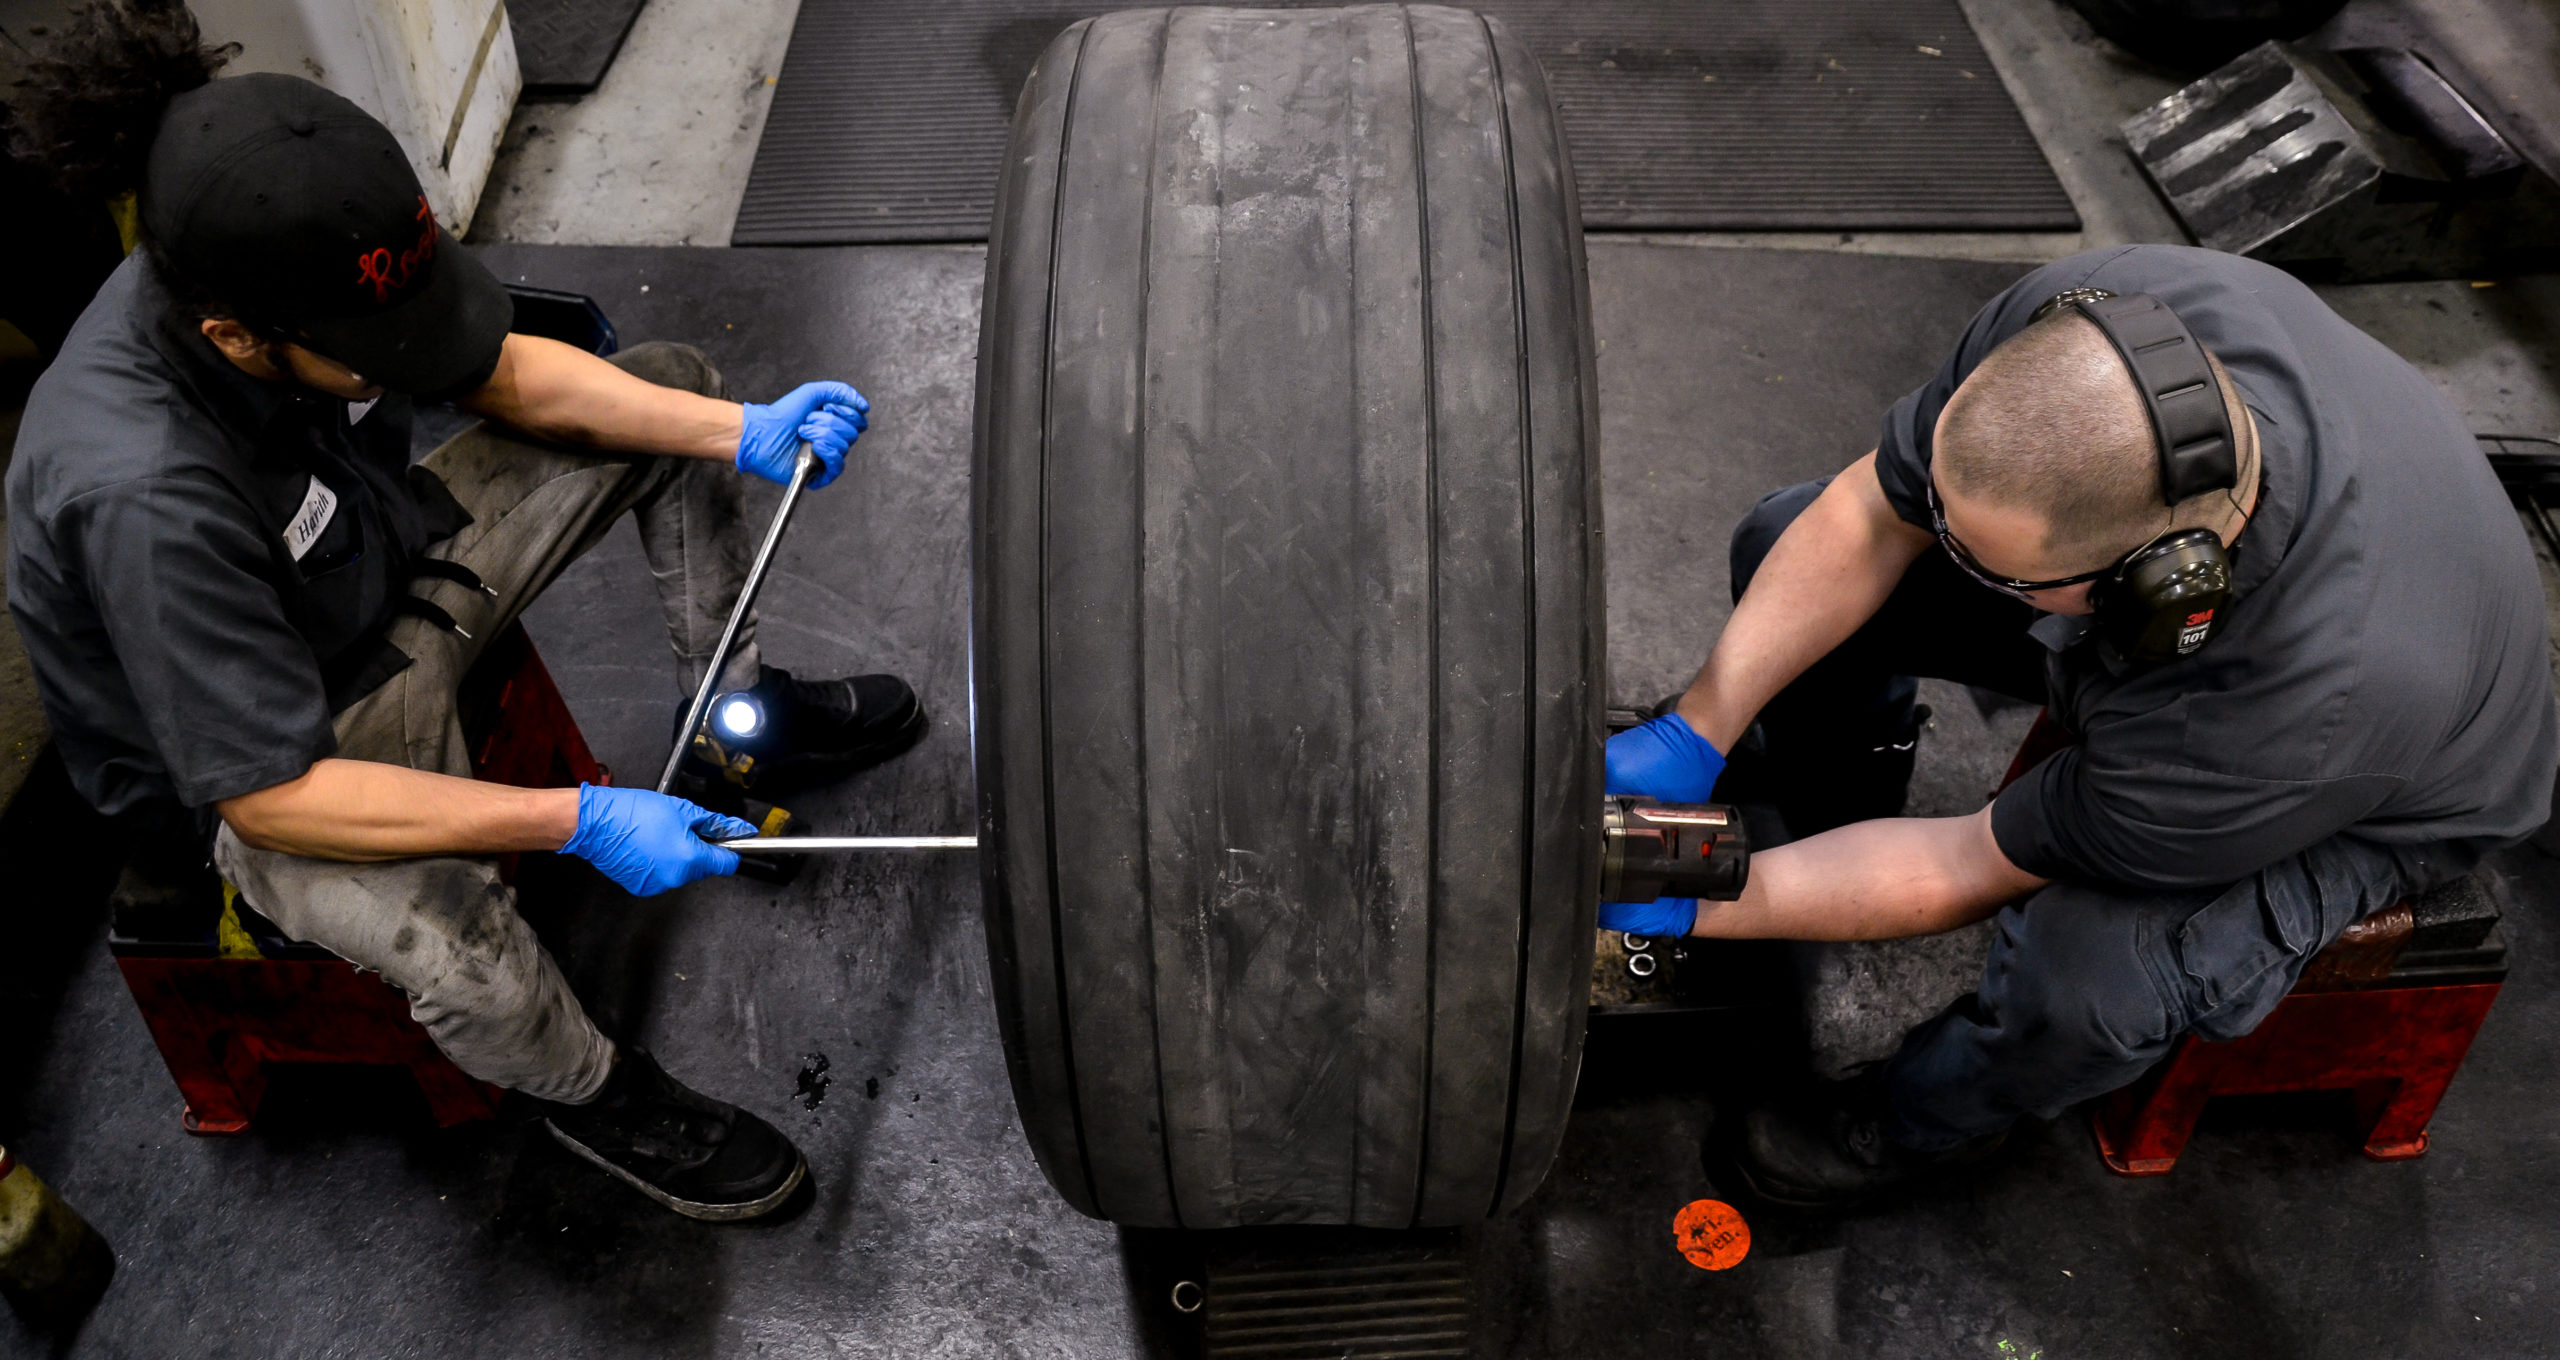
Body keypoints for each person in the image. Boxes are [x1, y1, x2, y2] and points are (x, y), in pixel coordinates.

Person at [6, 2, 926, 1220]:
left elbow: (495, 366)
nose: (406, 355)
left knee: (665, 394)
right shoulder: (142, 492)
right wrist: (579, 818)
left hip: (381, 562)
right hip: (280, 752)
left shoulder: (302, 251)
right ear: (233, 338)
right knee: (460, 947)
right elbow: (270, 790)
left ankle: (733, 717)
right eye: (374, 348)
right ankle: (593, 1092)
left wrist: (740, 433)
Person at [1604, 243, 2556, 1207]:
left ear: (2157, 584)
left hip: (2379, 783)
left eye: (2001, 574)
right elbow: (1866, 513)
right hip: (2216, 643)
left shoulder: (2272, 719)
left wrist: (1700, 893)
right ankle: (1838, 788)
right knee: (1791, 530)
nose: (1952, 558)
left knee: (2091, 984)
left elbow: (1970, 863)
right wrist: (1700, 727)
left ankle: (1923, 1124)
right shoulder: (2108, 312)